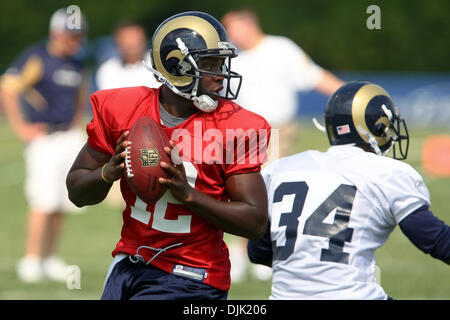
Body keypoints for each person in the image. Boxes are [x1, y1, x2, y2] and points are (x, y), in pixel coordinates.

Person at [66, 11, 270, 300]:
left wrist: (190, 195)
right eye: (210, 65)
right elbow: (76, 192)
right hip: (129, 264)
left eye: (221, 64)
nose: (220, 76)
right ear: (177, 66)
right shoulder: (121, 109)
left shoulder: (236, 126)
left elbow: (255, 222)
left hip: (193, 274)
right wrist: (107, 174)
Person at [247, 81, 450, 299]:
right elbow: (433, 239)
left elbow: (258, 252)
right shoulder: (387, 173)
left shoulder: (281, 169)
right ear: (377, 126)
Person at [222, 8, 345, 282]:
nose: (228, 35)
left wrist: (352, 96)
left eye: (231, 27)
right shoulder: (233, 59)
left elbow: (315, 77)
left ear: (248, 24)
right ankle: (251, 249)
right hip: (240, 135)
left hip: (275, 131)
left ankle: (252, 250)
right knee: (244, 192)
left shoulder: (281, 49)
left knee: (263, 189)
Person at [0, 7, 88, 282]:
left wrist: (75, 125)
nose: (74, 40)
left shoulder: (77, 63)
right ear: (56, 33)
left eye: (78, 35)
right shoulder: (37, 57)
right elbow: (9, 87)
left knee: (63, 201)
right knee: (43, 200)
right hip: (45, 138)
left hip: (68, 137)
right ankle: (32, 258)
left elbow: (81, 97)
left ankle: (50, 257)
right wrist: (21, 127)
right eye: (70, 34)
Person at [95, 20, 161, 207]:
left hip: (154, 141)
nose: (132, 44)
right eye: (127, 40)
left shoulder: (156, 65)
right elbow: (105, 112)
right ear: (118, 42)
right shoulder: (107, 70)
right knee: (126, 204)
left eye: (136, 39)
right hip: (120, 144)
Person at [95, 20, 161, 90]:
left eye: (135, 38)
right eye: (126, 40)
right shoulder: (106, 71)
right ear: (117, 42)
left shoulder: (160, 65)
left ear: (144, 39)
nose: (131, 43)